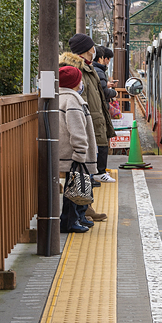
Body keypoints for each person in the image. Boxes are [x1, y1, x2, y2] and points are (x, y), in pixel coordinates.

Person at [60, 35, 115, 221]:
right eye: (92, 47)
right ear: (85, 49)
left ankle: (84, 209)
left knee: (84, 170)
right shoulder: (77, 69)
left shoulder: (86, 67)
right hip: (85, 122)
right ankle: (79, 213)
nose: (95, 50)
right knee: (80, 171)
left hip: (92, 121)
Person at [58, 66, 97, 233]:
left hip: (65, 152)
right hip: (73, 154)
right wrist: (81, 152)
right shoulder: (72, 100)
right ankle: (69, 222)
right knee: (74, 188)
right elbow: (77, 130)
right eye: (79, 80)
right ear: (75, 83)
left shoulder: (59, 97)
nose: (81, 83)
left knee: (74, 186)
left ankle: (78, 218)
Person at [93, 46, 117, 179]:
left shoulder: (95, 70)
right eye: (107, 59)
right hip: (98, 110)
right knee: (102, 141)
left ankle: (98, 171)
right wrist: (114, 92)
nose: (107, 62)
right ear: (102, 58)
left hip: (97, 109)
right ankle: (99, 172)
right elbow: (103, 92)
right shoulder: (99, 71)